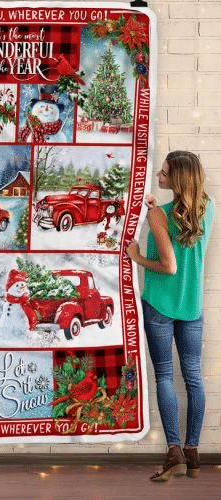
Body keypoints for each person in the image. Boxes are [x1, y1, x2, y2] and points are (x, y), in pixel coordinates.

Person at [126, 151, 215, 482]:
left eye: (164, 174)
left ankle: (173, 452)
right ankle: (192, 454)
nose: (159, 177)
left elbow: (168, 265)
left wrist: (137, 257)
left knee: (164, 374)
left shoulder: (160, 216)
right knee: (193, 375)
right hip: (192, 306)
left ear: (177, 180)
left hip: (160, 305)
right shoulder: (209, 208)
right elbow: (185, 249)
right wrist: (155, 212)